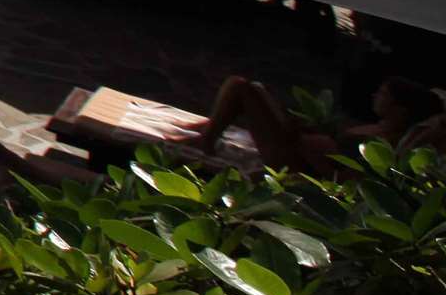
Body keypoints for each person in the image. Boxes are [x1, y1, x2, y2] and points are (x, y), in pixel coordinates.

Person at [181, 75, 445, 176]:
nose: (375, 97)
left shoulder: (386, 146)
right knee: (255, 88)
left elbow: (342, 177)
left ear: (400, 110)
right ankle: (209, 134)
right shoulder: (379, 127)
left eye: (383, 95)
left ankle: (206, 142)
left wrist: (305, 146)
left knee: (242, 88)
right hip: (298, 145)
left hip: (297, 161)